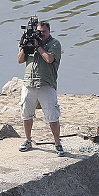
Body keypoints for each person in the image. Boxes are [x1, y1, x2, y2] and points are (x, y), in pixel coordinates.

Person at [17, 20, 64, 156]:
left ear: (49, 31)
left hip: (46, 84)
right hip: (29, 83)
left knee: (52, 115)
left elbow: (49, 59)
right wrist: (25, 46)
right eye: (39, 31)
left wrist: (38, 46)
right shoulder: (29, 41)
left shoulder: (54, 43)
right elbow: (20, 60)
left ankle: (57, 143)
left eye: (43, 32)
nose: (41, 34)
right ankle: (27, 140)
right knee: (26, 113)